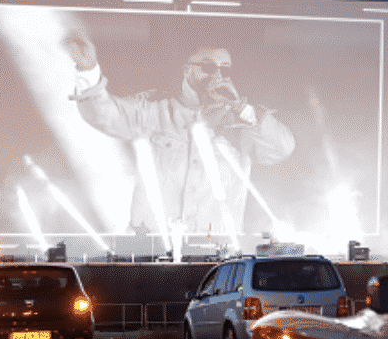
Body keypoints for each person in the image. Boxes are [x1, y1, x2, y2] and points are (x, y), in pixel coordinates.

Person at [63, 28, 295, 245]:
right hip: (153, 246)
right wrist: (88, 71)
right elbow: (106, 116)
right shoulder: (155, 109)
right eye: (208, 67)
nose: (217, 75)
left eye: (224, 69)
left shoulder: (243, 122)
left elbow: (282, 148)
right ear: (187, 70)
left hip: (217, 250)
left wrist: (241, 109)